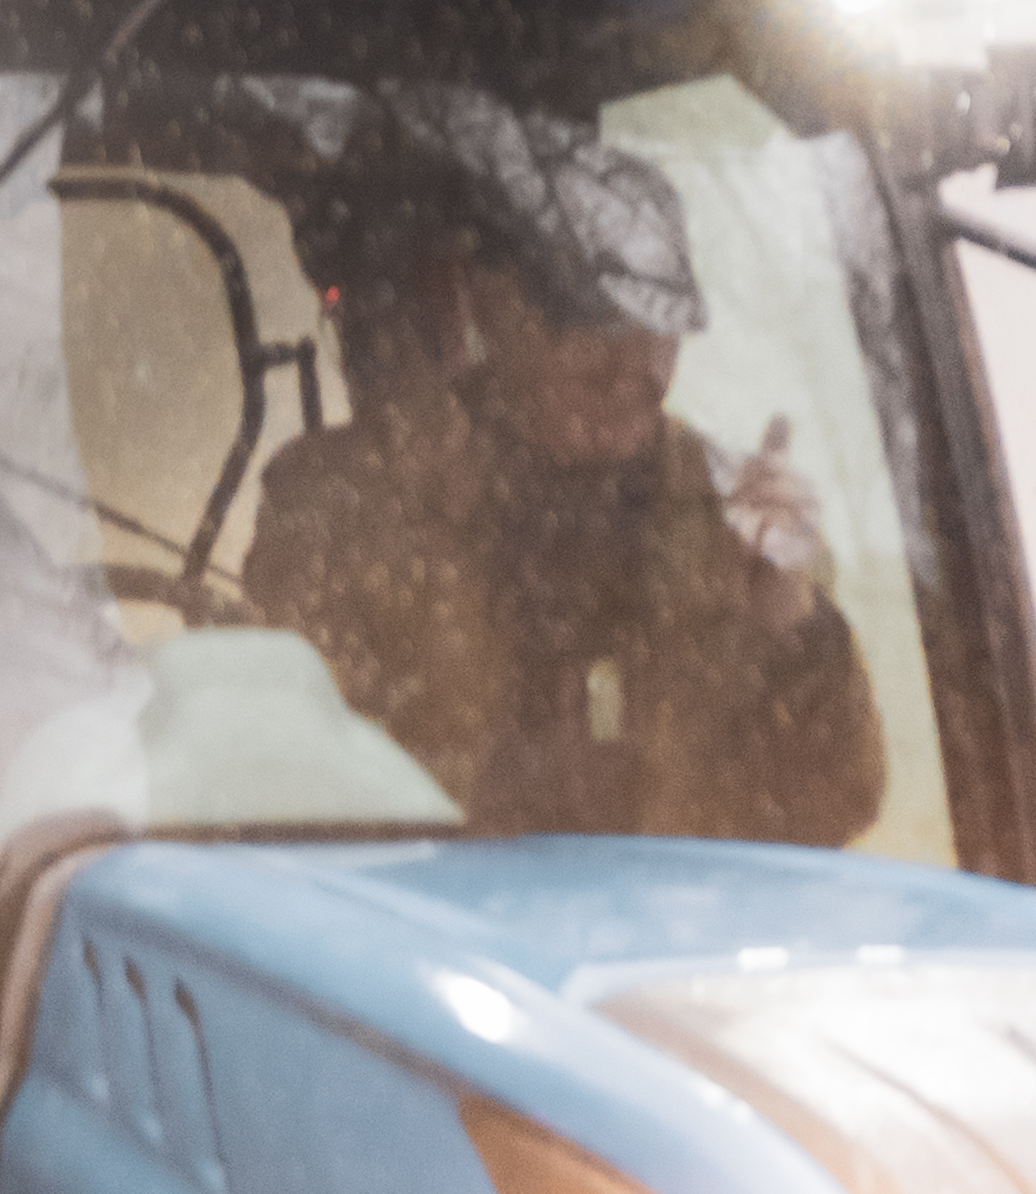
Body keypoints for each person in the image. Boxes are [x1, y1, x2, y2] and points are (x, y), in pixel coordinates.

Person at [241, 113, 882, 844]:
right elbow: (289, 785)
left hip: (671, 936)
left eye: (658, 327)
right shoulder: (343, 505)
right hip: (429, 929)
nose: (631, 367)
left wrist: (789, 624)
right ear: (492, 307)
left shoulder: (739, 520)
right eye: (591, 325)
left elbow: (836, 805)